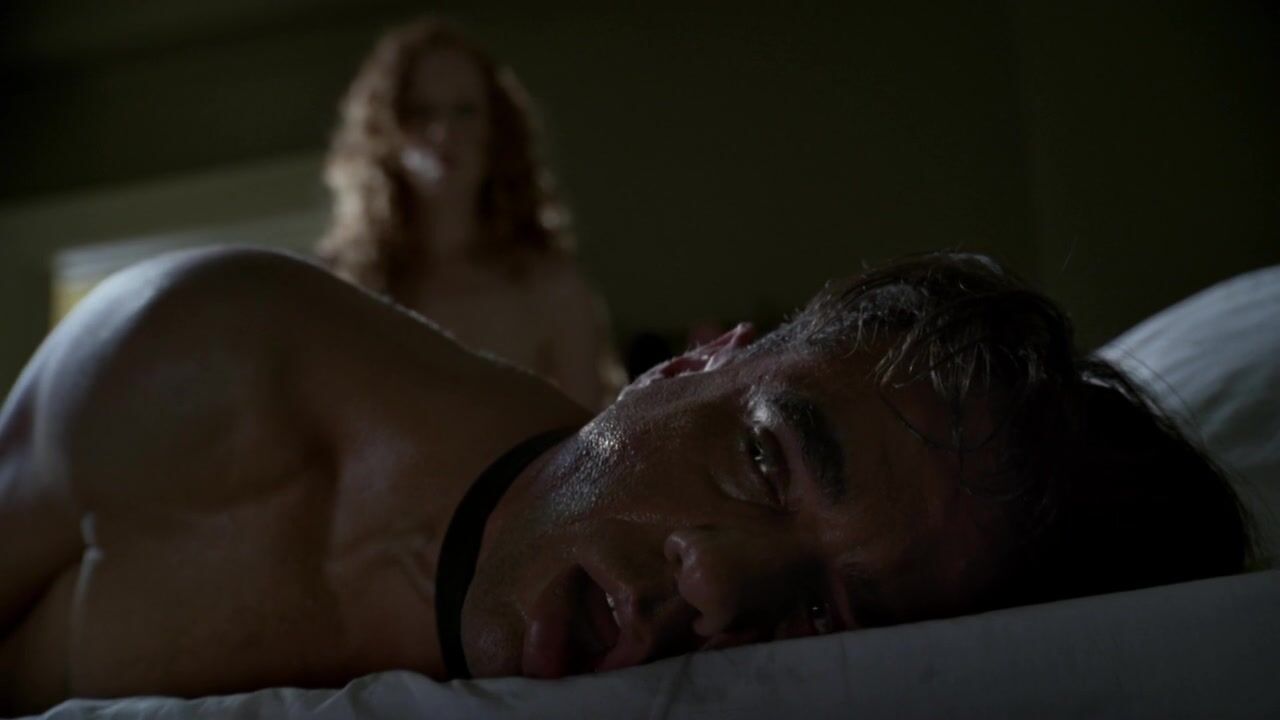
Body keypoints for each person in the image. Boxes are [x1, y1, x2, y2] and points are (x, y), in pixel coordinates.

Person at [0, 248, 1250, 714]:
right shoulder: (213, 359)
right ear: (691, 365)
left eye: (833, 613)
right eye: (764, 458)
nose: (717, 585)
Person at [316, 17, 621, 409]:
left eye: (464, 111)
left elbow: (592, 438)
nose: (443, 133)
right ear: (385, 130)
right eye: (421, 112)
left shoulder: (552, 289)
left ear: (496, 129)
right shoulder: (346, 289)